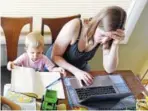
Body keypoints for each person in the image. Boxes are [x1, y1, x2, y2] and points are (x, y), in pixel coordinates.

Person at [46, 6, 127, 85]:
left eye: (109, 38)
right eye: (102, 35)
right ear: (96, 25)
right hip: (55, 66)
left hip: (79, 70)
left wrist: (115, 44)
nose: (104, 40)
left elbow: (109, 69)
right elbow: (55, 56)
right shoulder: (75, 26)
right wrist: (76, 71)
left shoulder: (107, 38)